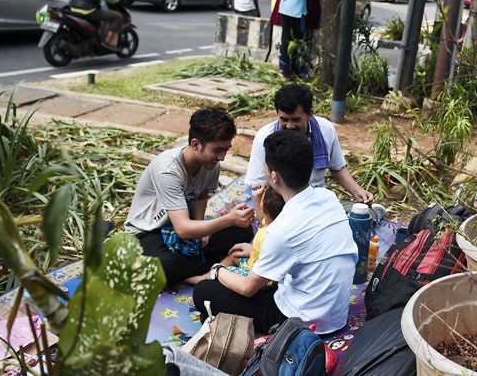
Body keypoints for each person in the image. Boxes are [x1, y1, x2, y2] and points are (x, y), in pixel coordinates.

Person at [193, 130, 358, 334]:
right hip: (335, 315)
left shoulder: (283, 228)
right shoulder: (328, 197)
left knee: (204, 291)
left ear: (273, 176)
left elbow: (247, 287)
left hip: (302, 322)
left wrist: (217, 270)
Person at [125, 108, 255, 286]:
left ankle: (199, 264)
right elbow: (183, 229)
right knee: (165, 266)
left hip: (181, 223)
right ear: (195, 144)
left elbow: (201, 196)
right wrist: (228, 220)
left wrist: (202, 231)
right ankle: (208, 267)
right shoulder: (168, 170)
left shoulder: (211, 163)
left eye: (226, 150)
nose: (222, 157)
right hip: (149, 232)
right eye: (217, 150)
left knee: (244, 231)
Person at [245, 84, 374, 204]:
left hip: (317, 200)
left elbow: (337, 167)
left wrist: (358, 191)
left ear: (310, 114)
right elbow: (257, 185)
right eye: (284, 119)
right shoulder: (264, 137)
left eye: (296, 120)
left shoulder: (326, 130)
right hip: (281, 204)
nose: (289, 126)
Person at [224, 184, 284, 280]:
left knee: (226, 271)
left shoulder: (267, 237)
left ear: (262, 207)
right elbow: (262, 218)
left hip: (254, 273)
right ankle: (206, 276)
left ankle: (210, 276)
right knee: (233, 256)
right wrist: (257, 197)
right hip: (253, 261)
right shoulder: (273, 223)